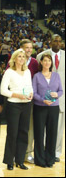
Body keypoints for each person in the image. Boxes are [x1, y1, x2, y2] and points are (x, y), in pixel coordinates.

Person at [0, 48, 33, 170]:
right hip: (14, 104)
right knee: (12, 133)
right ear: (14, 59)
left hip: (26, 104)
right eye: (19, 56)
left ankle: (20, 160)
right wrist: (17, 95)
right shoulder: (9, 72)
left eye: (23, 57)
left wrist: (31, 94)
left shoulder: (28, 71)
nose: (21, 59)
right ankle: (9, 161)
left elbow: (30, 87)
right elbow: (3, 90)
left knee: (24, 133)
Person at [36, 34, 65, 162]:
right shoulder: (41, 55)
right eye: (55, 40)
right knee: (43, 128)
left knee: (58, 128)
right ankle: (42, 152)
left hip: (61, 97)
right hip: (43, 99)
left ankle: (56, 153)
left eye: (59, 41)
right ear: (50, 41)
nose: (57, 43)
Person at [33, 54, 63, 167]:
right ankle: (40, 160)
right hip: (40, 107)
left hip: (53, 108)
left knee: (52, 133)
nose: (47, 63)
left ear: (51, 63)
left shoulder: (56, 75)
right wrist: (42, 100)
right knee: (39, 133)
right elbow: (34, 92)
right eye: (45, 60)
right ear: (41, 62)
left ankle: (50, 159)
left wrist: (57, 95)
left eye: (49, 61)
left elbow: (61, 91)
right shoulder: (36, 76)